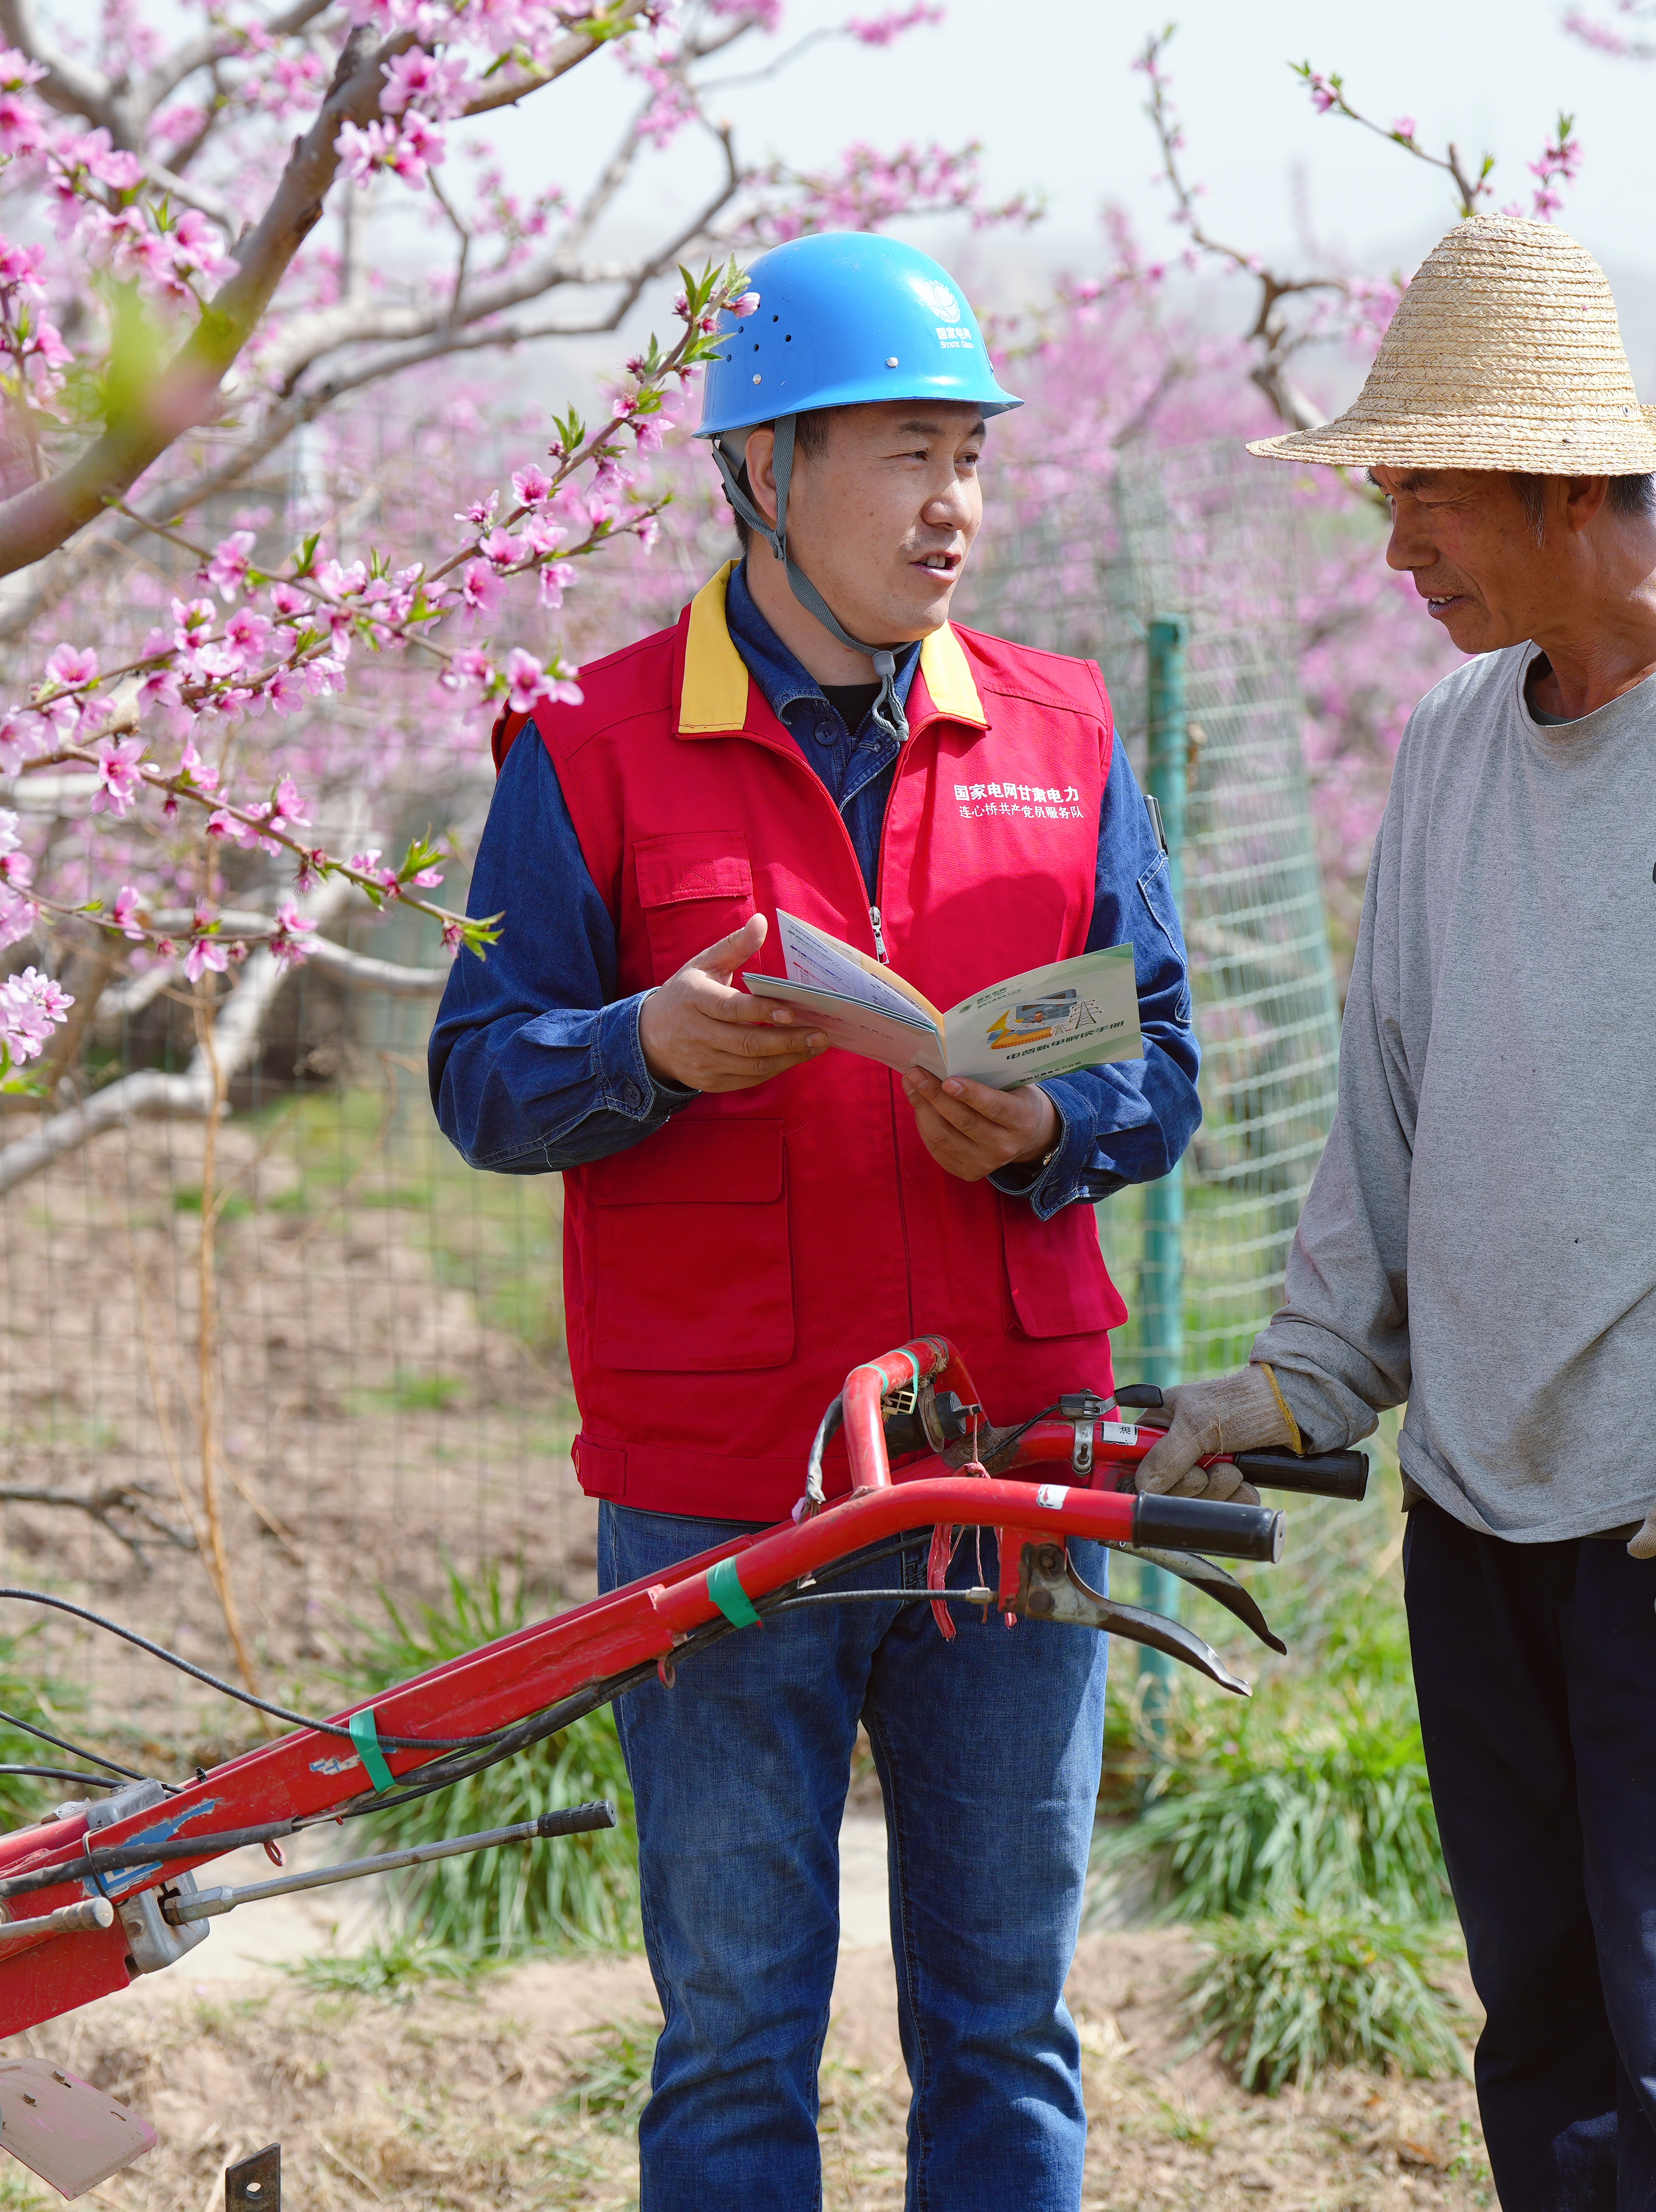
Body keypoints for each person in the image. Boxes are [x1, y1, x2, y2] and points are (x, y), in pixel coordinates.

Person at [1139, 217, 1656, 2211]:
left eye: (1429, 495)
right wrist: (1309, 1369)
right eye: (1388, 498)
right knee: (1553, 2060)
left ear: (1573, 486)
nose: (1398, 549)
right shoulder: (1449, 745)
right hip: (1479, 1514)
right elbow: (1391, 1091)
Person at [427, 231, 1200, 2206]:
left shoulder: (1066, 736)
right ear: (762, 471)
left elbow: (1163, 1061)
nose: (955, 506)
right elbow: (481, 1078)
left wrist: (1043, 1125)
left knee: (1008, 2023)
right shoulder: (588, 746)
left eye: (973, 456)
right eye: (905, 455)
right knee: (733, 2031)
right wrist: (646, 1047)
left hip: (1013, 1469)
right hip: (721, 1493)